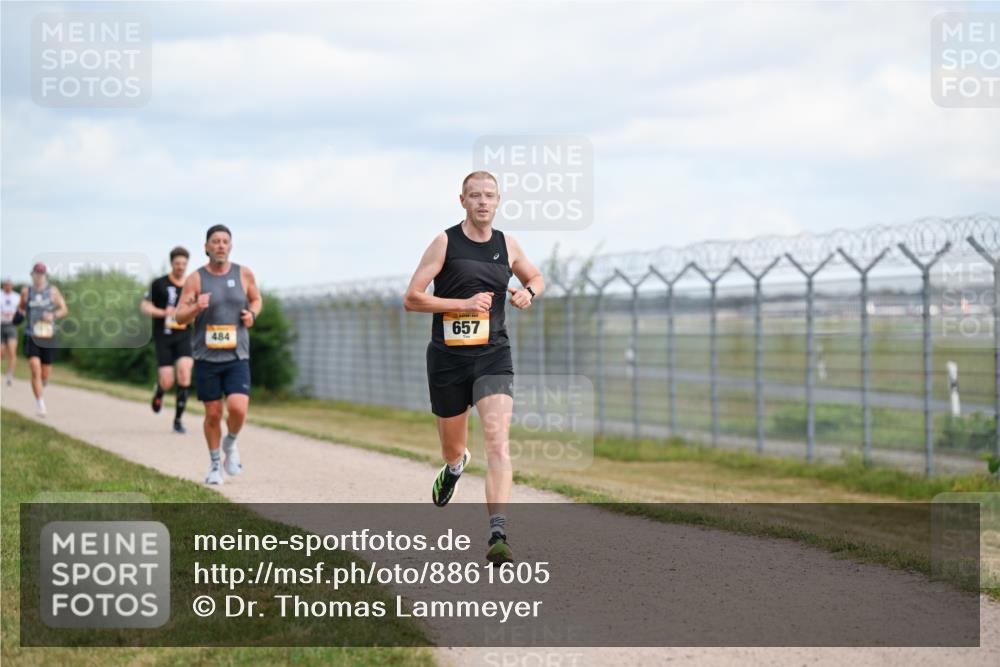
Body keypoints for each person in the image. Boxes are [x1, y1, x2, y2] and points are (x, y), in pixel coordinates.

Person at [404, 171, 544, 565]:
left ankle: (498, 532)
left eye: (489, 196)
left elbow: (536, 276)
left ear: (498, 201)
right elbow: (412, 299)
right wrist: (460, 304)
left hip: (493, 355)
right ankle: (454, 466)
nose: (483, 202)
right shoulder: (444, 242)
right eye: (474, 196)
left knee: (498, 441)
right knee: (453, 447)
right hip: (448, 360)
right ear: (462, 201)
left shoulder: (508, 244)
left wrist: (527, 292)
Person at [174, 225, 262, 485]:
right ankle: (214, 466)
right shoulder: (196, 279)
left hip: (237, 355)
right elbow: (179, 316)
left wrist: (252, 314)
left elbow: (256, 299)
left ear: (230, 246)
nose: (221, 245)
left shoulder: (244, 273)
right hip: (206, 358)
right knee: (213, 414)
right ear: (206, 247)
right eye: (215, 241)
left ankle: (230, 443)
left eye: (225, 241)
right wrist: (195, 308)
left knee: (238, 409)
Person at [141, 247, 194, 433]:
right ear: (172, 263)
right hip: (163, 337)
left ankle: (178, 420)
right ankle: (160, 391)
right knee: (167, 380)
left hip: (184, 336)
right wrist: (164, 312)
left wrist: (191, 315)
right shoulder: (159, 284)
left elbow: (198, 309)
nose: (180, 267)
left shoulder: (192, 284)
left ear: (187, 265)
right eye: (177, 263)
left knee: (185, 372)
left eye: (183, 264)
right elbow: (145, 306)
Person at [18, 263, 68, 416]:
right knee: (35, 368)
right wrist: (19, 316)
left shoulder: (52, 292)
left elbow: (64, 309)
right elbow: (21, 308)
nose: (39, 276)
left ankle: (42, 383)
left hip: (47, 335)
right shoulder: (26, 292)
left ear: (45, 275)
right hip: (31, 335)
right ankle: (40, 404)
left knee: (45, 373)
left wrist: (53, 315)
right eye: (36, 273)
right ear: (32, 275)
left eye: (42, 273)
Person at [1, 277, 20, 385]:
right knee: (1, 352)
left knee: (12, 351)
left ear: (11, 286)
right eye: (5, 284)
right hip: (1, 325)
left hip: (12, 326)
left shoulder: (16, 297)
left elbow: (21, 310)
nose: (7, 286)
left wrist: (17, 316)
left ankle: (10, 375)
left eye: (9, 284)